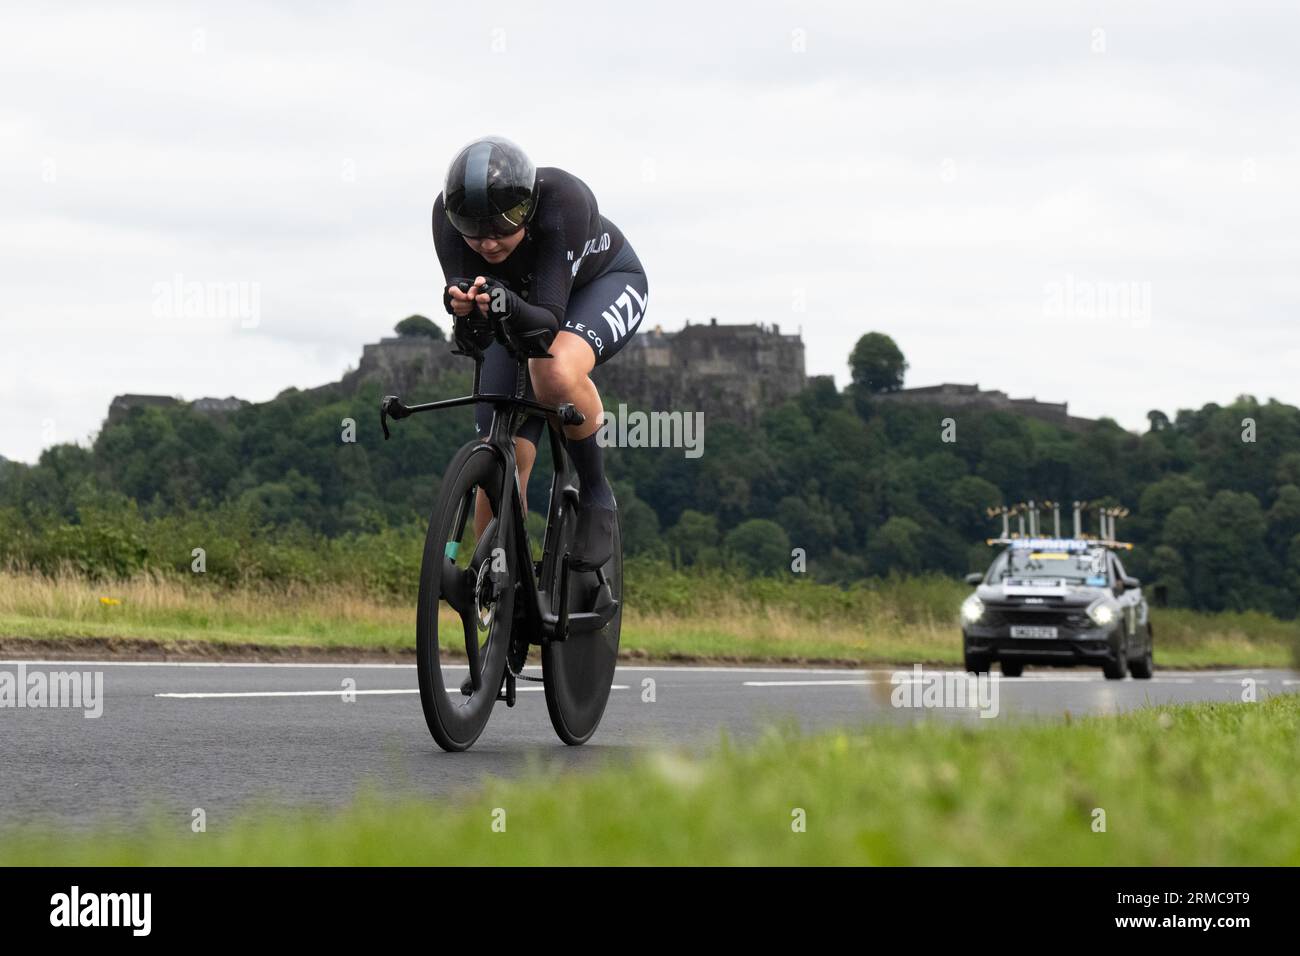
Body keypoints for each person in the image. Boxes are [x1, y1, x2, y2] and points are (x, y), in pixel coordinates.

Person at [433, 135, 648, 571]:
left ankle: (595, 495)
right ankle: (498, 586)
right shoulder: (446, 217)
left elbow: (548, 321)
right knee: (501, 442)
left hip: (598, 286)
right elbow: (471, 337)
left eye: (501, 227)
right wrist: (460, 308)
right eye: (474, 231)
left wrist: (506, 303)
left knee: (552, 371)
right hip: (518, 303)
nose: (488, 244)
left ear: (526, 210)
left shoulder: (561, 201)